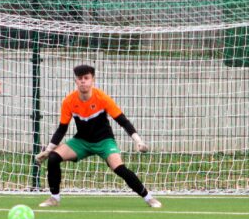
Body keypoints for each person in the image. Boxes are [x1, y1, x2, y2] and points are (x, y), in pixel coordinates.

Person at [35, 65, 161, 208]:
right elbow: (62, 128)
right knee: (53, 158)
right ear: (75, 81)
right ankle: (54, 198)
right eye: (80, 78)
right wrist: (48, 150)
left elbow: (123, 121)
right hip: (81, 141)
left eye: (86, 78)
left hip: (104, 141)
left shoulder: (102, 98)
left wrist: (138, 141)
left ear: (93, 80)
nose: (83, 81)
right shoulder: (68, 101)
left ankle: (148, 198)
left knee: (119, 168)